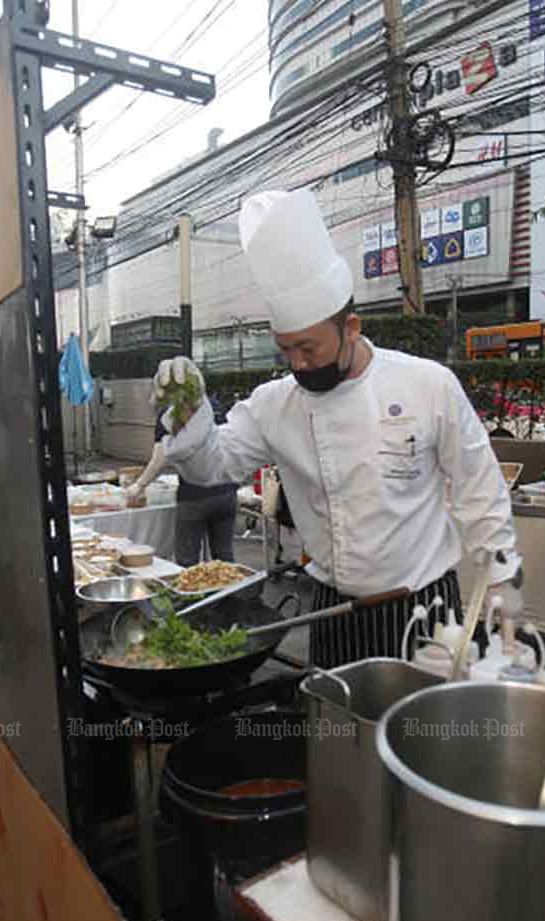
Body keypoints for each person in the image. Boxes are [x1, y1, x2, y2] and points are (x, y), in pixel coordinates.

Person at [154, 188, 522, 668]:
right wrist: (188, 413)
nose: (298, 363)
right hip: (332, 608)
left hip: (425, 607)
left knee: (422, 738)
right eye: (285, 349)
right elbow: (211, 467)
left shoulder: (427, 385)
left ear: (351, 326)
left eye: (309, 348)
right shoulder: (273, 405)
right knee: (337, 735)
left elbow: (480, 488)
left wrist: (503, 588)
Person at [128, 395, 240, 567]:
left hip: (195, 496)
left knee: (187, 561)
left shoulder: (171, 413)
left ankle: (194, 593)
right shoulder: (215, 405)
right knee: (224, 557)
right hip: (227, 491)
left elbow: (161, 458)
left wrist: (140, 485)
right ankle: (228, 593)